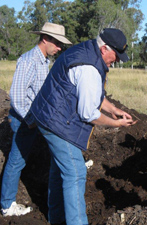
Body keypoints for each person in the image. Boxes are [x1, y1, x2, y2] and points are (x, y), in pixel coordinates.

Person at [30, 28, 136, 225]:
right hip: (57, 122)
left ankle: (57, 219)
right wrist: (116, 123)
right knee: (76, 172)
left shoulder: (87, 50)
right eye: (117, 55)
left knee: (59, 170)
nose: (119, 60)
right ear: (104, 48)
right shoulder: (89, 68)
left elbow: (91, 92)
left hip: (46, 115)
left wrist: (113, 109)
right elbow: (88, 113)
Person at [1, 22, 72, 217]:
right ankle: (7, 205)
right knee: (17, 161)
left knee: (52, 149)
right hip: (24, 120)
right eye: (57, 44)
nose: (59, 48)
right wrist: (30, 120)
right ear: (45, 39)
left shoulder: (44, 61)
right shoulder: (29, 60)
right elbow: (16, 95)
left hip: (37, 118)